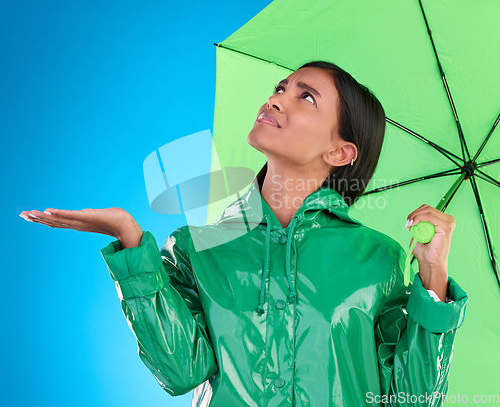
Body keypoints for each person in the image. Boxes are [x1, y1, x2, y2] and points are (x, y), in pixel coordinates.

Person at [20, 61, 468, 407]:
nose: (276, 100)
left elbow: (414, 398)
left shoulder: (379, 259)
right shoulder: (196, 247)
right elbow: (179, 371)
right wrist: (131, 242)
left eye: (305, 97)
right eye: (280, 88)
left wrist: (433, 279)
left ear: (340, 151)